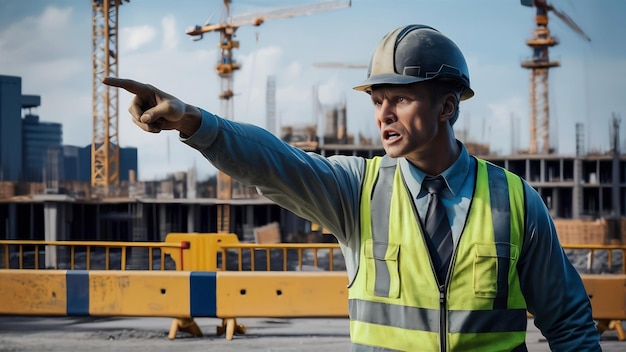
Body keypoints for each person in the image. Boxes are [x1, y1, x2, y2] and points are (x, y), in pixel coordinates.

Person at [104, 24, 601, 351]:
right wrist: (194, 121)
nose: (383, 114)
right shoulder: (356, 191)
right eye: (377, 100)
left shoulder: (515, 201)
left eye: (400, 100)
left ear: (447, 107)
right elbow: (274, 163)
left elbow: (569, 322)